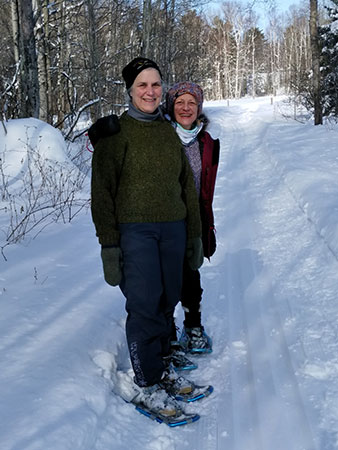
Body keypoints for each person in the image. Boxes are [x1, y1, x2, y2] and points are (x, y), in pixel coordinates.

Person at [90, 57, 210, 421]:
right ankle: (147, 384)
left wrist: (194, 236)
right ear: (129, 90)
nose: (150, 91)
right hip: (135, 232)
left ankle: (161, 369)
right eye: (142, 85)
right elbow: (102, 194)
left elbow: (186, 187)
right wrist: (109, 246)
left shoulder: (166, 130)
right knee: (143, 306)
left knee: (166, 299)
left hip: (173, 228)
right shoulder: (115, 135)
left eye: (156, 84)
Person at [165, 82, 219, 355]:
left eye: (191, 102)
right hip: (164, 219)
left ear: (199, 107)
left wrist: (206, 223)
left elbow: (206, 187)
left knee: (191, 275)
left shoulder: (205, 142)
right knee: (164, 278)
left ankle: (193, 326)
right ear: (171, 106)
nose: (185, 108)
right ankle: (166, 330)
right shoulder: (160, 136)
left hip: (194, 218)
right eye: (179, 102)